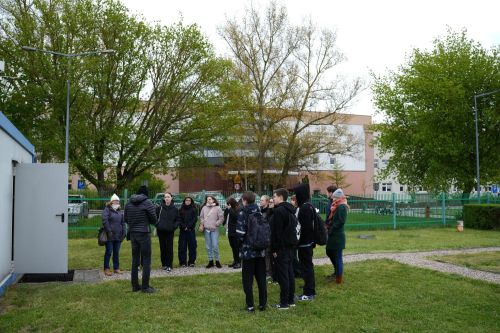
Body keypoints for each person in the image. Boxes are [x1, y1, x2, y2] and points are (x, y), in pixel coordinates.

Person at [236, 191, 267, 312]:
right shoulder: (260, 212)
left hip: (248, 252)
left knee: (247, 280)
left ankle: (250, 305)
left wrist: (241, 245)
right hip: (260, 251)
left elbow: (240, 233)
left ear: (245, 200)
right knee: (261, 278)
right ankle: (262, 304)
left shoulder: (243, 212)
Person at [124, 185, 157, 293]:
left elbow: (126, 218)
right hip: (144, 233)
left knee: (135, 260)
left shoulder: (128, 203)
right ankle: (145, 287)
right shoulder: (147, 202)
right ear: (146, 194)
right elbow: (154, 219)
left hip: (133, 233)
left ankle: (135, 286)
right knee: (146, 260)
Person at [271, 188, 296, 309]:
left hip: (282, 248)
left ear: (280, 197)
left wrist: (274, 249)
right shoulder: (291, 209)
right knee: (290, 273)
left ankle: (284, 302)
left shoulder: (279, 211)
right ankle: (291, 300)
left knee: (283, 275)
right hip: (291, 246)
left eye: (274, 196)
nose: (273, 199)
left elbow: (277, 232)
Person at [293, 183, 316, 301]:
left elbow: (305, 228)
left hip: (305, 244)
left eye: (296, 194)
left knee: (306, 268)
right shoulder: (308, 206)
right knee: (307, 267)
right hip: (307, 243)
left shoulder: (305, 208)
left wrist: (298, 241)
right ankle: (308, 288)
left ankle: (309, 293)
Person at [326, 188, 348, 284]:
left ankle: (338, 278)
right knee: (329, 251)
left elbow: (340, 221)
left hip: (337, 236)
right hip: (333, 235)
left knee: (338, 256)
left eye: (335, 197)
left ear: (339, 197)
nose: (333, 198)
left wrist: (331, 228)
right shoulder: (335, 206)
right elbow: (332, 219)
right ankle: (336, 272)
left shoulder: (342, 207)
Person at [102, 194, 125, 276]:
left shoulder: (120, 211)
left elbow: (123, 223)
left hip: (118, 236)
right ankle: (106, 268)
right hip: (109, 236)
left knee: (116, 252)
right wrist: (109, 231)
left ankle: (116, 268)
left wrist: (124, 232)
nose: (117, 202)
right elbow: (105, 220)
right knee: (109, 252)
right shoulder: (107, 210)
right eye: (115, 201)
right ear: (111, 202)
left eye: (118, 201)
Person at [156, 192, 179, 272]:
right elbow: (155, 218)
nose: (167, 198)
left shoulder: (175, 209)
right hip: (161, 231)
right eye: (165, 197)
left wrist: (174, 227)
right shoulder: (159, 208)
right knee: (162, 248)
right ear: (164, 199)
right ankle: (164, 264)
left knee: (169, 248)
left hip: (170, 231)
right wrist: (158, 225)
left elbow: (177, 219)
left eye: (168, 197)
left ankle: (169, 265)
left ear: (171, 198)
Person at [199, 195, 224, 268]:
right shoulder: (204, 208)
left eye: (210, 199)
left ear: (213, 200)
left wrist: (216, 224)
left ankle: (217, 260)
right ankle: (210, 261)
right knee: (208, 246)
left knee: (215, 245)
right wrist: (202, 223)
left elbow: (221, 218)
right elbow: (201, 217)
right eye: (207, 199)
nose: (208, 201)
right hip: (206, 230)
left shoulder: (218, 208)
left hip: (214, 230)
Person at [178, 196, 198, 267]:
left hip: (191, 231)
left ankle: (191, 262)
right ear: (184, 201)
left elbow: (194, 219)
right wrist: (184, 227)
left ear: (191, 201)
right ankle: (182, 262)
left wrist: (188, 226)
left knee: (192, 246)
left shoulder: (194, 209)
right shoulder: (180, 210)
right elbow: (179, 219)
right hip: (182, 231)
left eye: (189, 200)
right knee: (182, 247)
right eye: (186, 200)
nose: (188, 201)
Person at [260, 195, 274, 281]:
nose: (260, 202)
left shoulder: (270, 211)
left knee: (268, 255)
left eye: (262, 200)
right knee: (263, 254)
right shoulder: (261, 210)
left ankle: (269, 272)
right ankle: (264, 271)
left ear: (267, 201)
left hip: (268, 236)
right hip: (262, 236)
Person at [325, 185, 338, 278]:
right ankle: (336, 271)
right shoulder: (330, 202)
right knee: (329, 251)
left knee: (331, 251)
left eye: (327, 192)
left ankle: (337, 272)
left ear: (331, 193)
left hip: (332, 230)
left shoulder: (335, 203)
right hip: (328, 228)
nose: (326, 194)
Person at [224, 197, 241, 269]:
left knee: (237, 247)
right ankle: (235, 261)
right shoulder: (229, 209)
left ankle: (239, 262)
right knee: (233, 247)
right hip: (230, 231)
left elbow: (236, 217)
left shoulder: (237, 209)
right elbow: (225, 216)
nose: (227, 205)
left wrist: (229, 209)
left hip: (235, 232)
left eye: (228, 204)